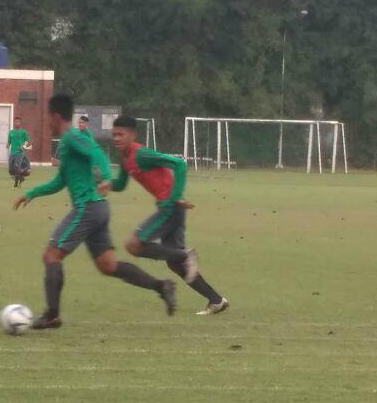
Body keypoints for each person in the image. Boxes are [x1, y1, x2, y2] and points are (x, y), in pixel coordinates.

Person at [13, 95, 177, 330]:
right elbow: (61, 180)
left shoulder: (73, 136)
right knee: (108, 265)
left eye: (48, 116)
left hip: (88, 208)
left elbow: (97, 154)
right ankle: (162, 286)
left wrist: (108, 178)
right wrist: (32, 193)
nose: (47, 120)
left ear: (55, 116)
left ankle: (51, 315)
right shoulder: (67, 141)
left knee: (51, 256)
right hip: (98, 208)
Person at [103, 116, 229, 316]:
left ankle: (185, 255)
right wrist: (107, 183)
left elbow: (179, 164)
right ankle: (216, 300)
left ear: (132, 135)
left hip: (170, 208)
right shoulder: (125, 159)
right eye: (114, 135)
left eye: (121, 134)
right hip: (170, 208)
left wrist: (176, 196)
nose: (116, 138)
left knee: (133, 245)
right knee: (176, 265)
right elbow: (121, 184)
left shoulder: (142, 154)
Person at [7, 117, 32, 188]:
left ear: (20, 123)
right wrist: (8, 145)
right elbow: (9, 141)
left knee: (16, 167)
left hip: (20, 152)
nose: (16, 123)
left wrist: (24, 146)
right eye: (15, 122)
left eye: (18, 122)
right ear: (14, 123)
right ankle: (21, 178)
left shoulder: (23, 132)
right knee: (10, 170)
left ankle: (16, 184)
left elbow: (29, 141)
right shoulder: (11, 132)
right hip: (12, 152)